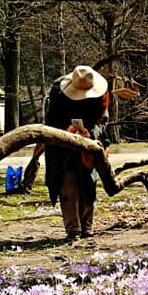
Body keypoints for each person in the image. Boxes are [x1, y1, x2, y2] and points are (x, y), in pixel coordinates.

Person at [44, 66, 110, 240]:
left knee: (89, 182)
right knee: (68, 183)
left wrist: (91, 135)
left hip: (90, 144)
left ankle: (87, 225)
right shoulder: (58, 93)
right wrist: (66, 131)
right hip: (61, 146)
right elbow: (50, 120)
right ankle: (73, 228)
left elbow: (102, 121)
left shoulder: (101, 95)